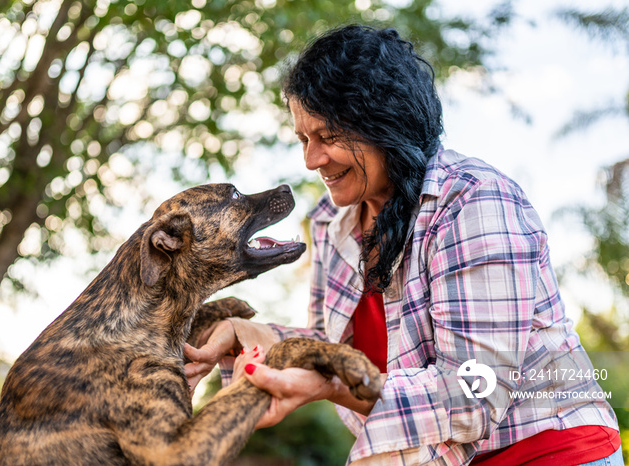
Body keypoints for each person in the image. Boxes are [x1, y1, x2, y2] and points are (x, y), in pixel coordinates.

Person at [184, 24, 622, 465]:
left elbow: (474, 393)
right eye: (303, 139)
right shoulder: (330, 220)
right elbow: (332, 343)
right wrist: (245, 337)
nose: (311, 160)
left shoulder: (474, 201)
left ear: (385, 124)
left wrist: (334, 383)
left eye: (328, 137)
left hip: (547, 452)